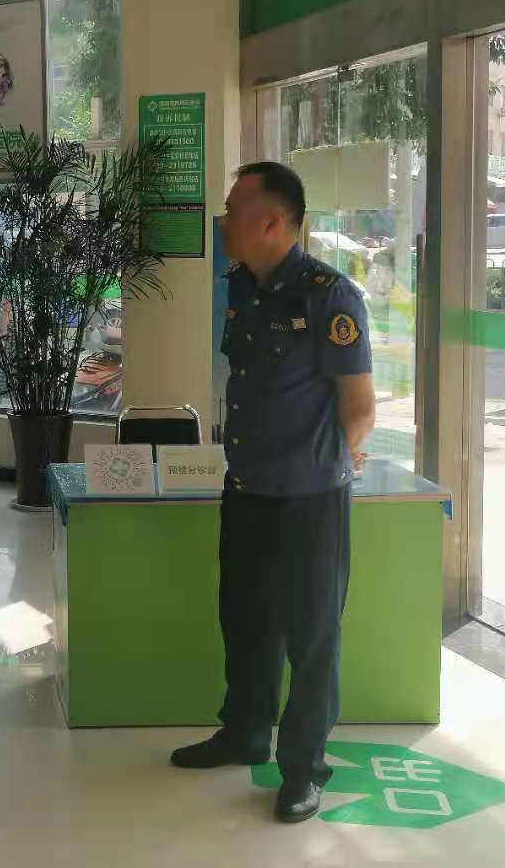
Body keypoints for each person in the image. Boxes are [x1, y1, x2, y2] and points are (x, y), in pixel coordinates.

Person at [171, 161, 375, 825]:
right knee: (245, 620)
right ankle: (245, 732)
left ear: (273, 221)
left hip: (310, 501)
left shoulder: (328, 296)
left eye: (234, 208)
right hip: (247, 490)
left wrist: (330, 463)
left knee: (311, 638)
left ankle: (304, 769)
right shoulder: (240, 287)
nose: (224, 218)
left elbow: (359, 407)